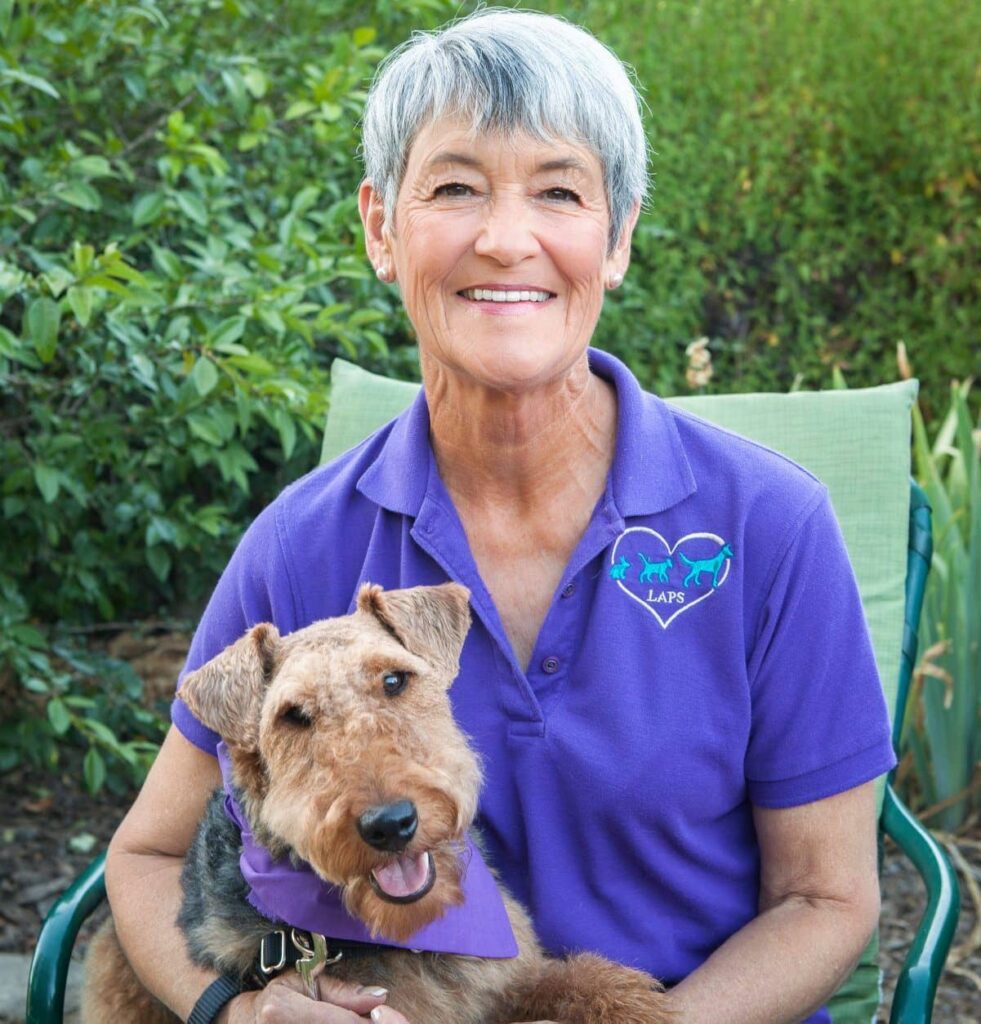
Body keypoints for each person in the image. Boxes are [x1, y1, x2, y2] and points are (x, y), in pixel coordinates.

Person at [105, 9, 896, 1023]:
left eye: (560, 191)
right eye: (455, 187)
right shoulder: (300, 547)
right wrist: (239, 1010)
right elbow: (147, 852)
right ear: (381, 230)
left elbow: (824, 897)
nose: (506, 237)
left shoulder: (770, 526)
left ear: (617, 238)